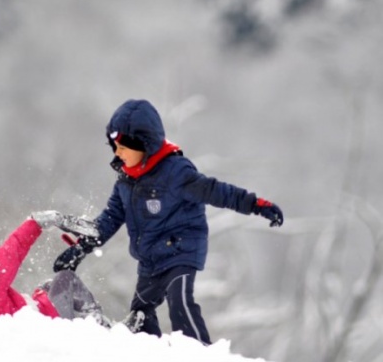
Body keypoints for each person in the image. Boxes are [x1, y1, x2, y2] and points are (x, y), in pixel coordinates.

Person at [52, 99, 284, 344]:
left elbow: (217, 191)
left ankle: (199, 353)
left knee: (180, 302)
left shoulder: (176, 172)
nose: (117, 152)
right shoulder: (125, 183)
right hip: (151, 260)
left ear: (144, 144)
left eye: (122, 147)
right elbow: (108, 220)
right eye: (114, 147)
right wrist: (81, 248)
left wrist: (256, 205)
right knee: (140, 316)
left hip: (181, 250)